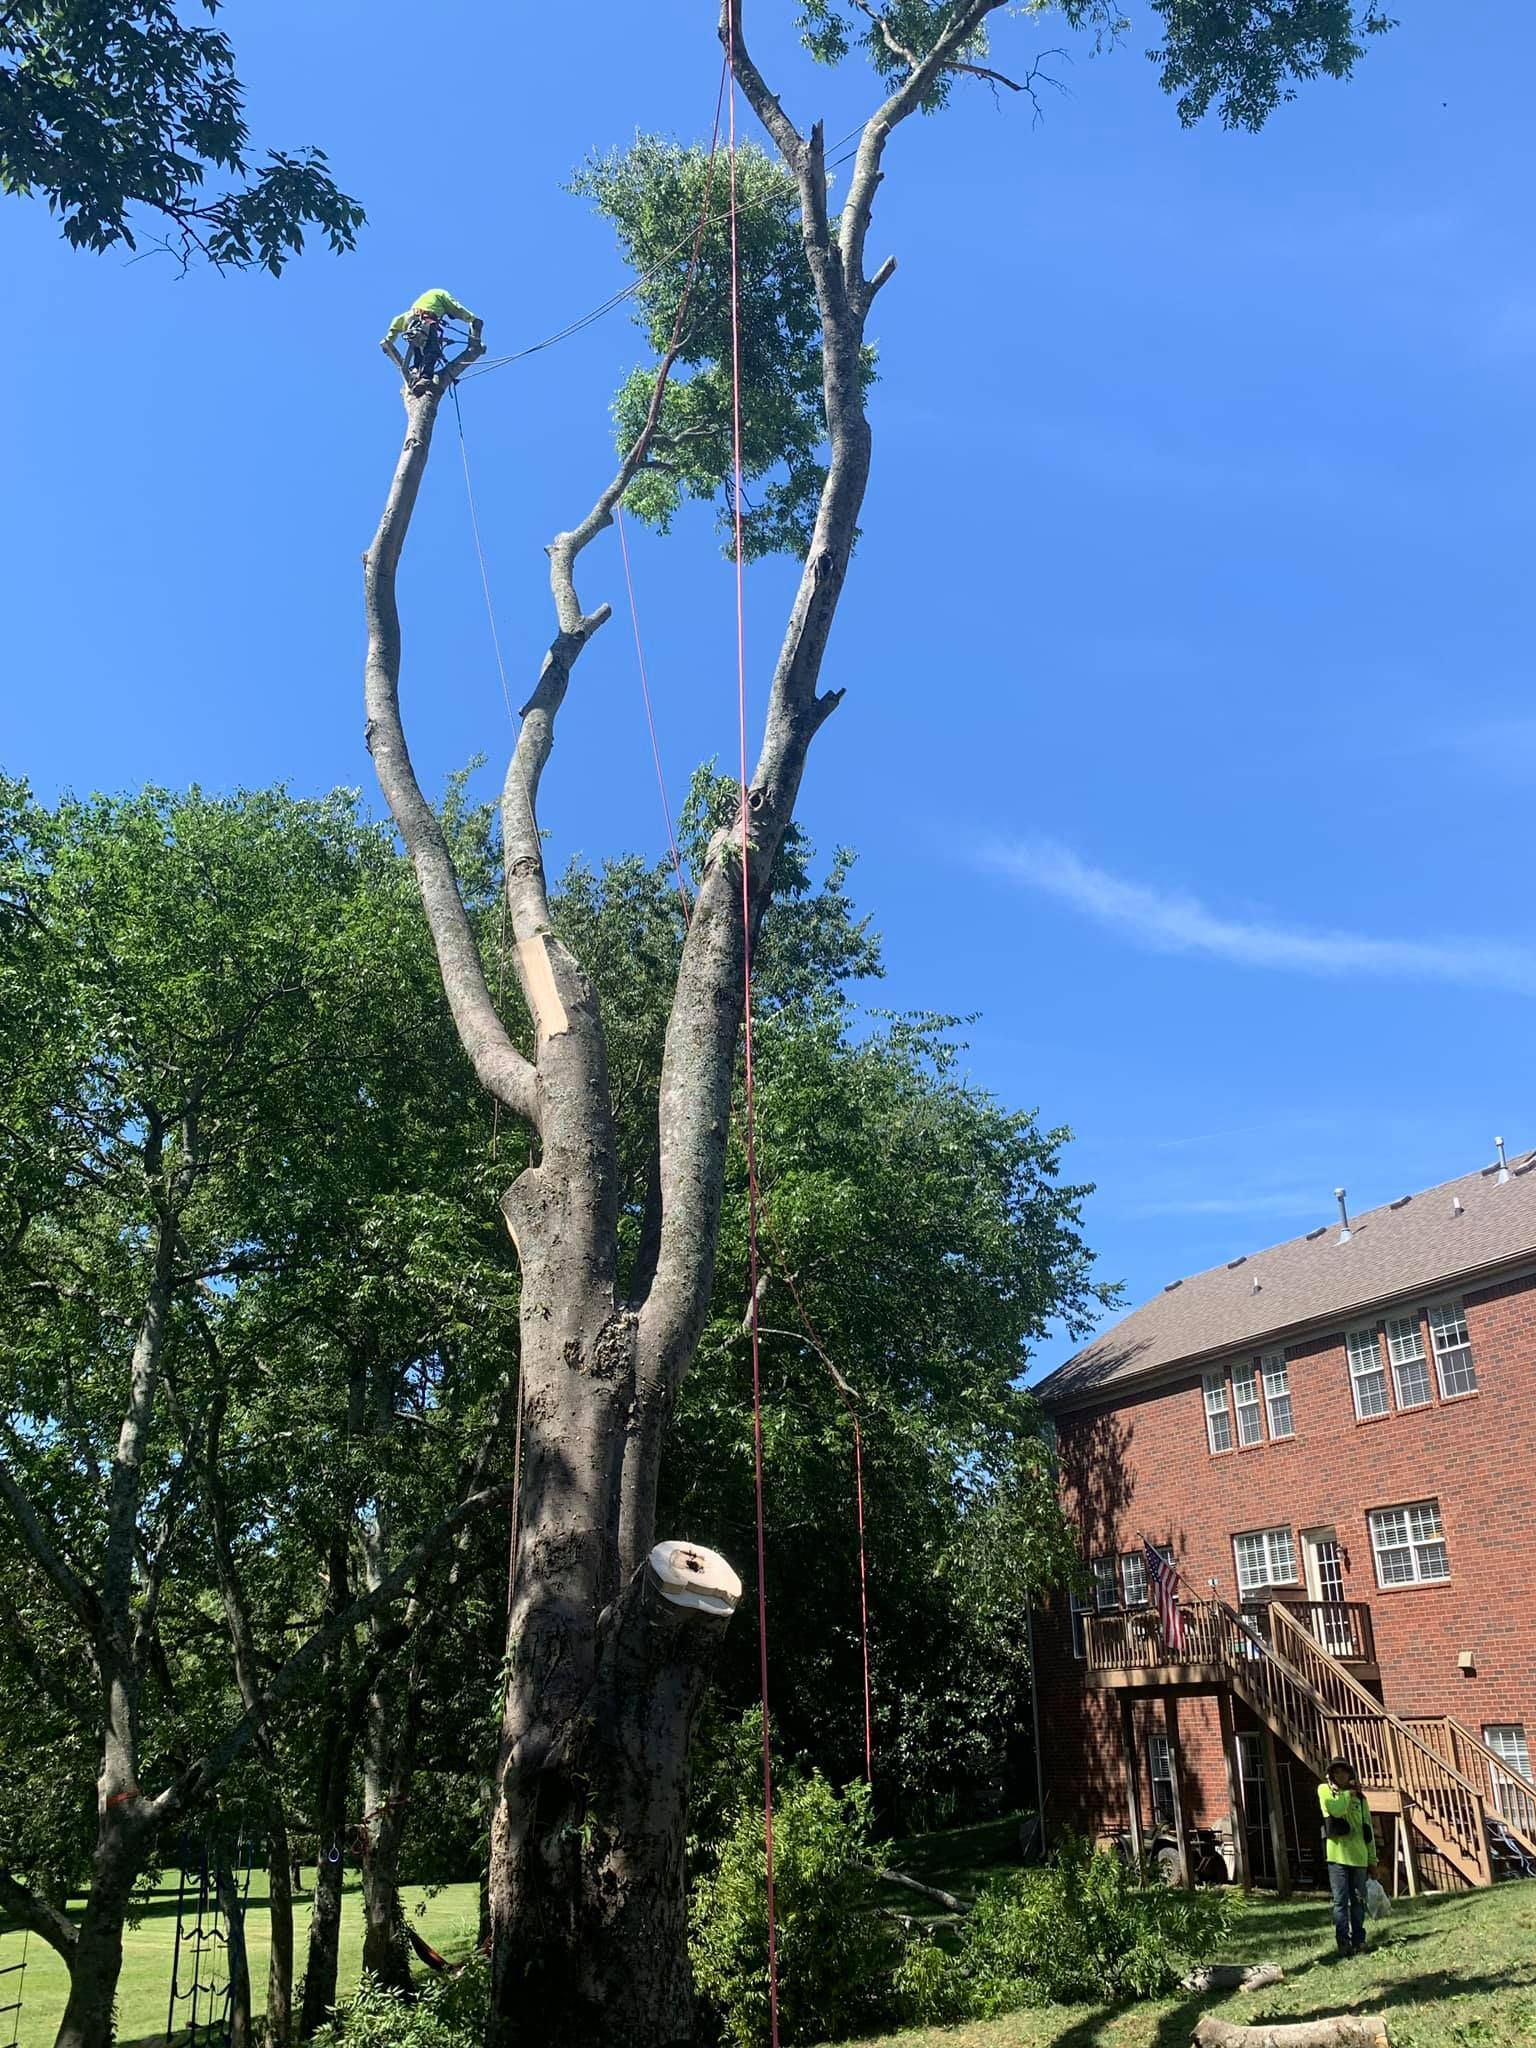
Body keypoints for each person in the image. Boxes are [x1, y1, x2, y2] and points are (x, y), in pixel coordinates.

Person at [1318, 1756, 1379, 1958]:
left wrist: (1372, 1861)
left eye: (1344, 1771)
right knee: (1340, 1901)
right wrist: (1347, 1795)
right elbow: (1335, 1810)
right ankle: (1343, 1942)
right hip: (1336, 1858)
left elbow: (1367, 1828)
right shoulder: (1324, 1791)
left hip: (1359, 1858)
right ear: (1331, 1775)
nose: (1340, 1775)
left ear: (1350, 1774)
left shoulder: (1361, 1799)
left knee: (1358, 1901)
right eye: (1336, 1772)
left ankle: (1359, 1939)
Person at [381, 288, 483, 386]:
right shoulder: (440, 294)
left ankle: (416, 370)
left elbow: (396, 322)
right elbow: (456, 307)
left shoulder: (416, 307)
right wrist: (472, 319)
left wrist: (389, 340)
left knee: (419, 349)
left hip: (412, 325)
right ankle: (425, 378)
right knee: (432, 350)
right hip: (427, 320)